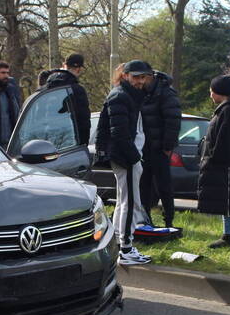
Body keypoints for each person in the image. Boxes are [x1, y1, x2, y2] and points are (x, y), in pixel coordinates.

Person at [96, 60, 154, 265]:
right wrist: (134, 157)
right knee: (129, 203)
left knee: (124, 201)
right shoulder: (121, 95)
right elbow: (119, 133)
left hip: (128, 156)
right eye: (136, 76)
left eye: (143, 77)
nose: (140, 81)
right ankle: (126, 250)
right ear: (125, 75)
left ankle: (121, 243)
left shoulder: (129, 95)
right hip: (125, 157)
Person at [196, 76, 230, 248]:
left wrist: (212, 160)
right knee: (226, 202)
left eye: (212, 90)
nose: (210, 94)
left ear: (220, 92)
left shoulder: (229, 112)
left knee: (227, 202)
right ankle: (228, 234)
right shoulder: (226, 110)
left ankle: (229, 236)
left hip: (226, 167)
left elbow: (223, 142)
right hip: (227, 165)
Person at [139, 67, 182, 228]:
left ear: (151, 77)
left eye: (143, 78)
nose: (141, 82)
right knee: (144, 185)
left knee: (164, 186)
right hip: (145, 147)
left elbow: (173, 121)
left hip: (160, 148)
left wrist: (167, 146)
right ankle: (145, 218)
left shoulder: (166, 93)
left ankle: (169, 220)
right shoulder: (145, 92)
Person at [42, 53, 92, 145]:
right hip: (69, 140)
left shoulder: (46, 88)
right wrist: (83, 144)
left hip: (47, 139)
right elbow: (83, 120)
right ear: (78, 69)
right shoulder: (76, 90)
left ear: (64, 65)